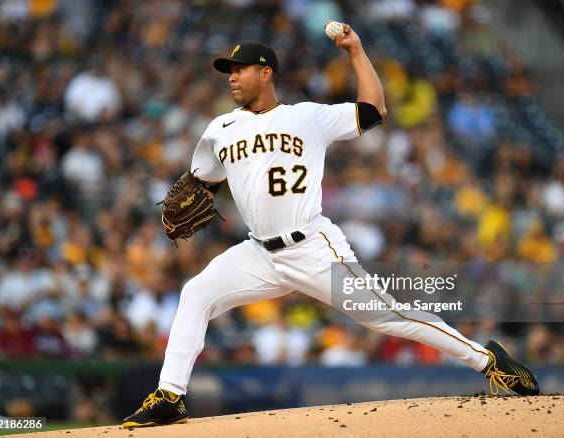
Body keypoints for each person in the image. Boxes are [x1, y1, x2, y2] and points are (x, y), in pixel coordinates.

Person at [122, 23, 539, 428]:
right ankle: (170, 397)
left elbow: (373, 109)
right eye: (228, 71)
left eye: (239, 69)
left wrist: (356, 51)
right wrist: (192, 197)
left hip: (313, 248)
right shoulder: (220, 129)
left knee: (386, 316)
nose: (231, 77)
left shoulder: (308, 117)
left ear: (266, 73)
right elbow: (201, 185)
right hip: (258, 253)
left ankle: (488, 360)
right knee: (196, 293)